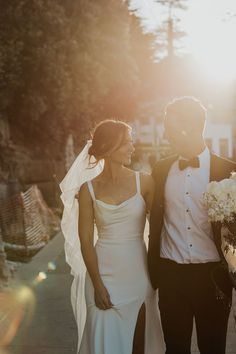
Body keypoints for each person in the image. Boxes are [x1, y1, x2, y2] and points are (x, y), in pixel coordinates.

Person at [60, 119, 165, 354]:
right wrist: (97, 285)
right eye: (126, 143)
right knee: (103, 345)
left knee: (138, 343)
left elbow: (160, 228)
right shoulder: (87, 189)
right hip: (101, 276)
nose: (132, 148)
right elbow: (86, 241)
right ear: (108, 146)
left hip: (138, 275)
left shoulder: (145, 182)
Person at [148, 96, 236, 354]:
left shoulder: (229, 172)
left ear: (190, 127)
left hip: (213, 278)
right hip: (171, 277)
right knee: (175, 349)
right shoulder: (161, 169)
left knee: (213, 348)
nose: (166, 134)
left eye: (170, 127)